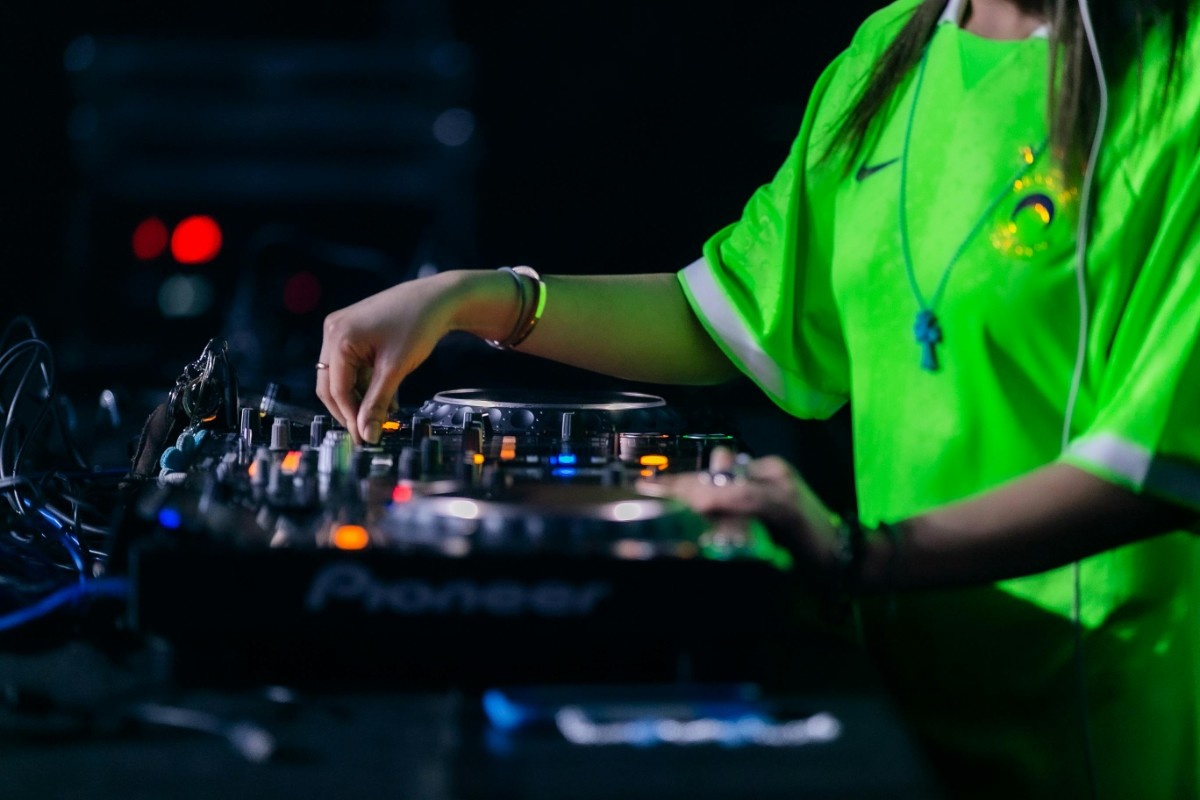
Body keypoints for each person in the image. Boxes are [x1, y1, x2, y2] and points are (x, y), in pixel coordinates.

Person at [315, 0, 1200, 796]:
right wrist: (476, 299)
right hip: (893, 692)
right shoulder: (891, 52)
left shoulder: (1181, 78)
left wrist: (861, 553)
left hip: (1092, 716)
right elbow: (730, 319)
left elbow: (1155, 459)